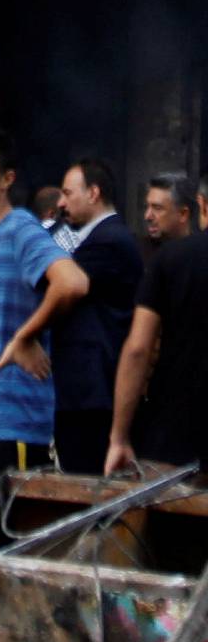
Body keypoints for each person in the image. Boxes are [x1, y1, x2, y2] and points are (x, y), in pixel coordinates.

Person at [0, 123, 88, 485]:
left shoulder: (20, 229)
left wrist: (25, 337)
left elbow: (73, 282)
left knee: (13, 541)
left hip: (12, 427)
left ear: (6, 179)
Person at [50, 157, 143, 473]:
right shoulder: (99, 238)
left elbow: (61, 286)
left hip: (91, 390)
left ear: (93, 193)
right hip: (86, 389)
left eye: (67, 193)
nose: (60, 203)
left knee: (86, 485)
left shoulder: (109, 240)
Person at [106, 200, 208, 475]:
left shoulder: (171, 258)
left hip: (175, 434)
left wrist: (118, 437)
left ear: (201, 204)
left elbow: (138, 348)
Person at [143, 172, 202, 246]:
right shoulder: (138, 252)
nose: (147, 216)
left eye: (157, 208)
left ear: (183, 214)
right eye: (146, 206)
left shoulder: (200, 254)